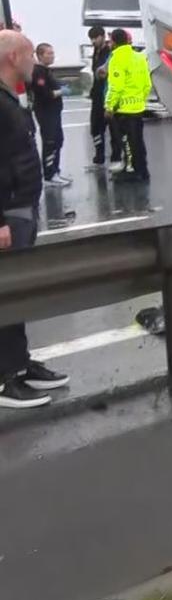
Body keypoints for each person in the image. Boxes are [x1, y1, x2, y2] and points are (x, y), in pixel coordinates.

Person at [0, 30, 70, 408]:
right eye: (29, 55)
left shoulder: (11, 98)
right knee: (5, 293)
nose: (35, 63)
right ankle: (4, 379)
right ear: (13, 58)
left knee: (18, 293)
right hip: (8, 213)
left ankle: (19, 364)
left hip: (22, 209)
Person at [105, 28, 151, 182]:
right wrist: (141, 99)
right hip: (138, 107)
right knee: (138, 140)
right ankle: (143, 169)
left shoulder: (117, 59)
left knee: (126, 141)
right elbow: (147, 84)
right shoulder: (139, 57)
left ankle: (132, 170)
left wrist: (109, 106)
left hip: (123, 109)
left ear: (114, 42)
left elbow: (115, 86)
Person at [30, 43, 70, 187]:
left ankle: (55, 171)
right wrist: (60, 92)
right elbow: (43, 94)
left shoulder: (47, 71)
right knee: (50, 141)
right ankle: (49, 175)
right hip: (46, 111)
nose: (52, 56)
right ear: (40, 55)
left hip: (54, 111)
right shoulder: (38, 72)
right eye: (49, 53)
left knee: (58, 140)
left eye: (53, 53)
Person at [88, 25, 123, 168]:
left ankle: (116, 158)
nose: (93, 41)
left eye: (95, 38)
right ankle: (99, 155)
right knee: (96, 127)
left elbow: (106, 74)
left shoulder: (110, 52)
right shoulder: (96, 51)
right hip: (97, 94)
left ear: (102, 36)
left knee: (114, 128)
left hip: (109, 93)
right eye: (91, 39)